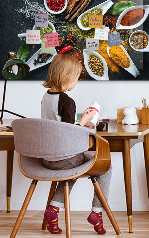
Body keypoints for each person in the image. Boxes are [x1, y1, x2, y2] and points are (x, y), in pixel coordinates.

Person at [41, 54, 111, 235]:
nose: (76, 82)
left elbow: (58, 126)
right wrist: (86, 120)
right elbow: (69, 133)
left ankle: (53, 210)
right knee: (106, 166)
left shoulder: (46, 97)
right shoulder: (67, 101)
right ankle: (97, 212)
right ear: (67, 77)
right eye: (76, 78)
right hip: (64, 158)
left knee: (71, 170)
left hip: (47, 158)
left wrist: (80, 121)